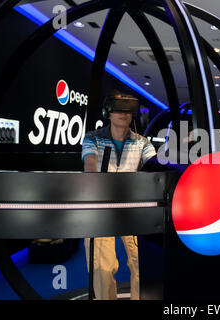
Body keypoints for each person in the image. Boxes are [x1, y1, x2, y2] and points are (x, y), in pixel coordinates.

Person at [82, 90, 158, 300]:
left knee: (142, 263)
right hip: (100, 207)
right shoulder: (93, 139)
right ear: (108, 111)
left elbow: (154, 163)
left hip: (133, 208)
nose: (123, 114)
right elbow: (90, 163)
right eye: (118, 108)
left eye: (128, 109)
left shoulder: (142, 142)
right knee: (102, 268)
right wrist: (94, 178)